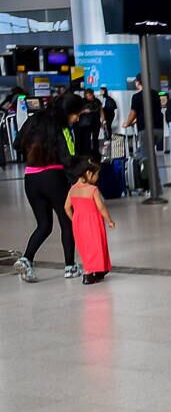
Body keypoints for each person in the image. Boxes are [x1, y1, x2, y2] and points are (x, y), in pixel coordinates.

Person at [12, 92, 88, 282]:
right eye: (77, 115)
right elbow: (68, 158)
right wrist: (83, 174)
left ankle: (26, 259)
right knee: (66, 221)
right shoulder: (62, 128)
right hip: (53, 178)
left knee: (44, 225)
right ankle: (70, 266)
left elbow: (16, 143)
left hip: (31, 178)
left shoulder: (35, 119)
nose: (77, 119)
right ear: (68, 112)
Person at [64, 155, 114, 284]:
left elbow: (66, 207)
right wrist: (109, 220)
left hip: (78, 223)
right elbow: (101, 207)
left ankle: (90, 270)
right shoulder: (92, 190)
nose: (97, 177)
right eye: (96, 174)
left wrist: (74, 218)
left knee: (85, 247)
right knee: (96, 246)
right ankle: (92, 272)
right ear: (88, 173)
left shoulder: (73, 189)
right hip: (93, 222)